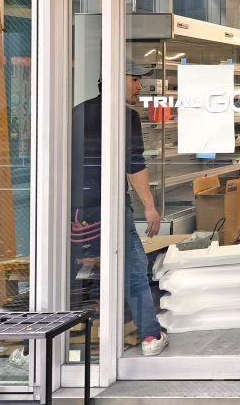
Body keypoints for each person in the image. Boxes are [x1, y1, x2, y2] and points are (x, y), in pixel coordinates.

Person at [71, 60, 168, 357]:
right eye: (134, 79)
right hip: (110, 208)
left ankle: (37, 345)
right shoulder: (126, 116)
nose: (140, 85)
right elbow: (134, 164)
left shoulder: (77, 112)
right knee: (134, 269)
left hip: (76, 207)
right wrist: (149, 207)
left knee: (67, 271)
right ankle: (150, 335)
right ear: (115, 79)